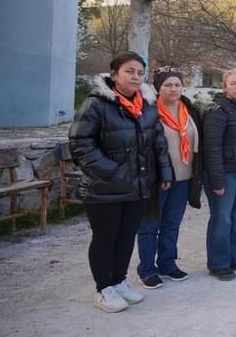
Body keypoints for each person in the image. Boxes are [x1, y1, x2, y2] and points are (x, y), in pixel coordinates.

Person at [70, 52, 173, 312]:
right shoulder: (96, 105)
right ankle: (103, 289)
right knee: (106, 238)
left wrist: (164, 173)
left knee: (127, 237)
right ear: (114, 74)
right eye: (129, 71)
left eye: (140, 72)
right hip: (105, 188)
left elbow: (158, 142)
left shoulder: (147, 106)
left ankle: (119, 281)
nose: (136, 77)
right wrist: (115, 172)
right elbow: (81, 145)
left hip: (138, 186)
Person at [136, 66, 202, 289]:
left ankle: (167, 263)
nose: (173, 89)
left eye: (177, 84)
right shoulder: (148, 111)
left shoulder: (189, 111)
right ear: (158, 87)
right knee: (150, 225)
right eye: (167, 85)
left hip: (183, 178)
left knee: (172, 224)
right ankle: (147, 268)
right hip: (158, 179)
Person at [202, 68, 236, 280]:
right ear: (224, 86)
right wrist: (217, 179)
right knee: (222, 218)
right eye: (233, 83)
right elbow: (212, 147)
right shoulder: (217, 111)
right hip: (224, 173)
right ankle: (218, 263)